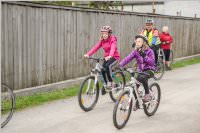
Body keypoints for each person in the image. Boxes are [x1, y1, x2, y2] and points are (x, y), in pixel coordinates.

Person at [119, 35, 155, 102]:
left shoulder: (150, 51)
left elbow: (152, 63)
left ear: (144, 43)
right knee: (134, 86)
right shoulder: (136, 52)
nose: (137, 43)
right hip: (140, 71)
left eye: (139, 41)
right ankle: (137, 102)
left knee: (142, 77)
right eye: (136, 41)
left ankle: (147, 94)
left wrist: (144, 55)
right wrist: (120, 65)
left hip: (149, 70)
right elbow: (127, 58)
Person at [84, 25, 120, 92]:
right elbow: (95, 48)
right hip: (106, 58)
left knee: (107, 66)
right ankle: (106, 85)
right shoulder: (102, 41)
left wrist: (110, 55)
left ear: (109, 34)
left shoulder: (113, 39)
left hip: (114, 57)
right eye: (103, 34)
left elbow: (113, 47)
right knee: (102, 70)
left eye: (106, 34)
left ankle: (111, 82)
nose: (104, 35)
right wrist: (88, 54)